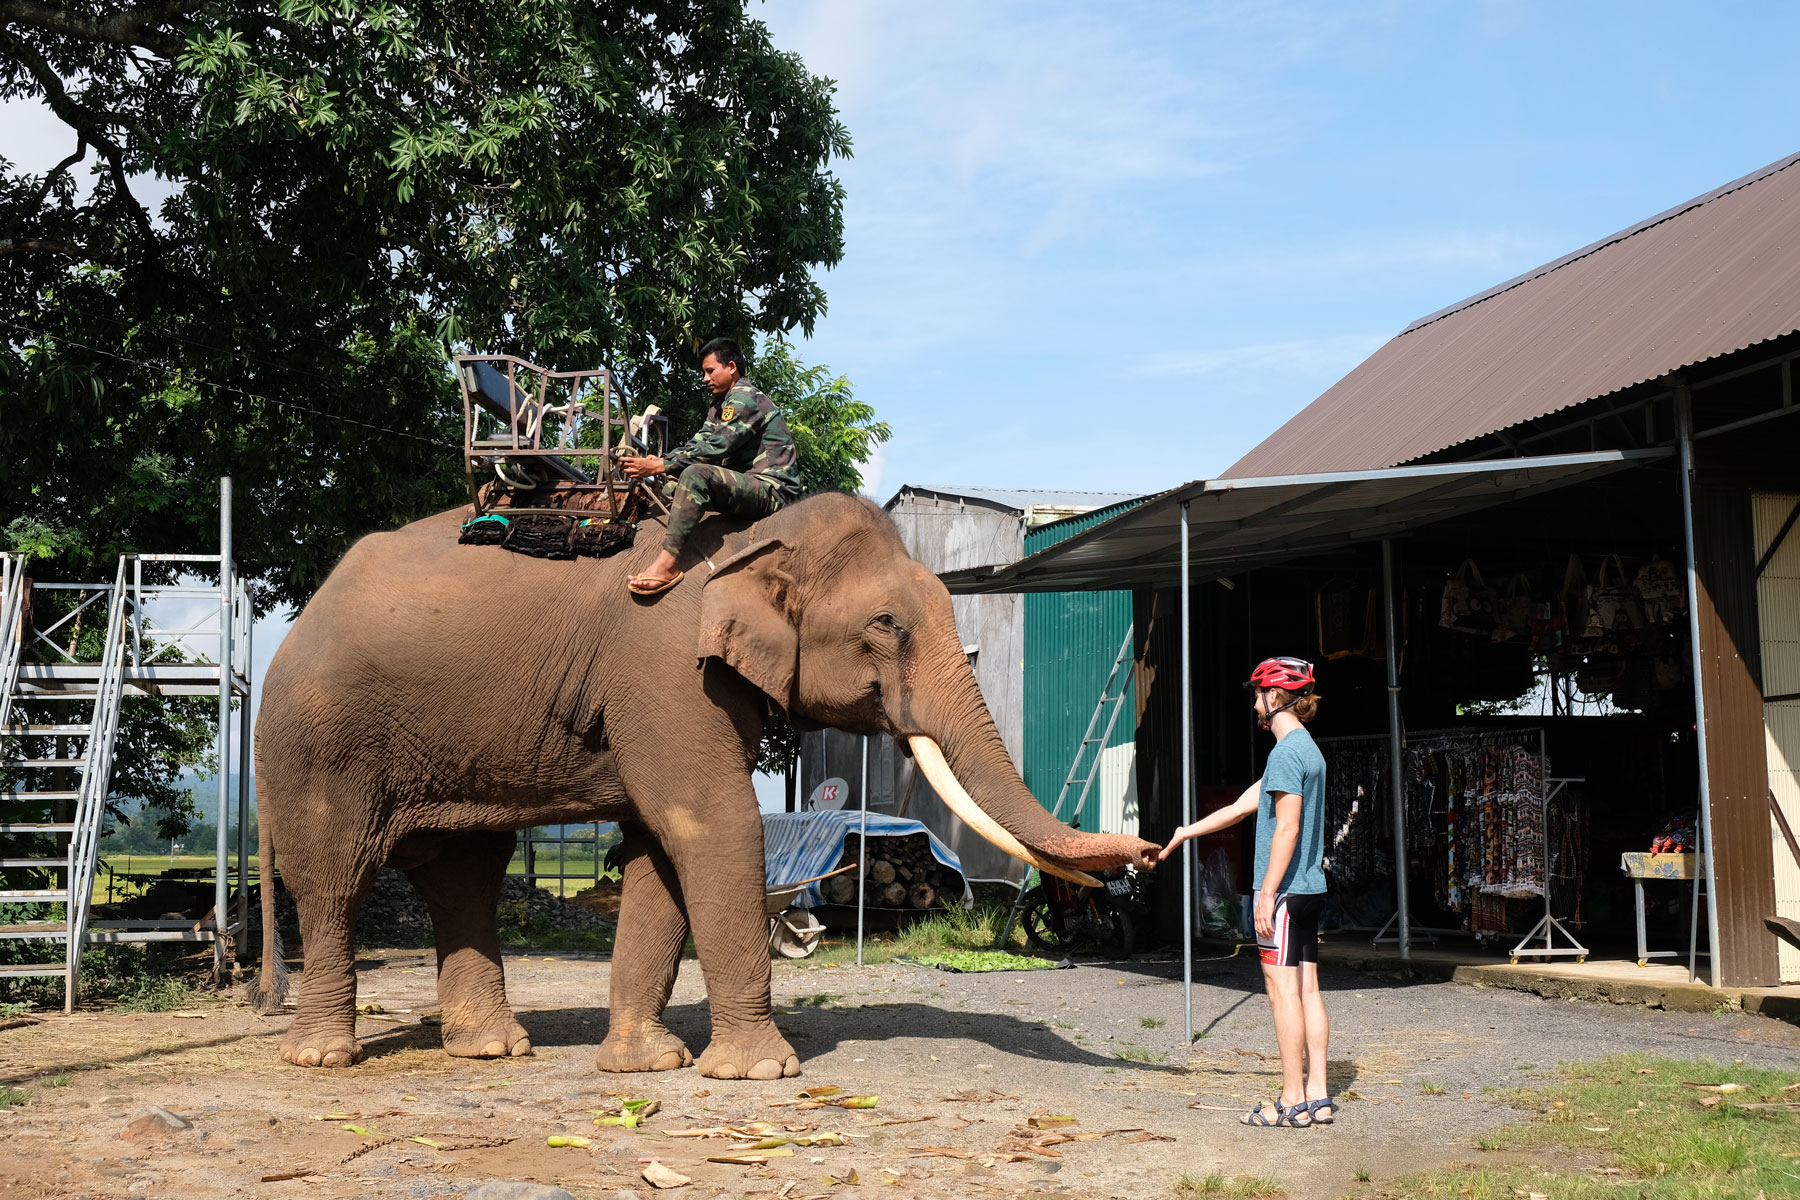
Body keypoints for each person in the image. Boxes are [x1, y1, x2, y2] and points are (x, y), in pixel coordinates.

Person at [1160, 656, 1333, 1129]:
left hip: (1284, 894)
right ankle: (1317, 1096)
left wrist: (1264, 894)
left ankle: (1291, 1101)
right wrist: (1183, 832)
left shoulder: (1284, 754)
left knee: (1281, 995)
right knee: (1308, 990)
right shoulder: (1308, 751)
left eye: (1258, 695)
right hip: (1309, 891)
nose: (1255, 704)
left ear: (1274, 697)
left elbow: (1288, 829)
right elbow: (1241, 807)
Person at [621, 337, 803, 594]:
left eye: (710, 371)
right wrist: (663, 463)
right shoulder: (719, 405)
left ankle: (667, 564)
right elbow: (700, 442)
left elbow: (717, 447)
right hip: (748, 484)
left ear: (731, 366)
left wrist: (662, 464)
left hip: (772, 489)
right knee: (673, 487)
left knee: (694, 475)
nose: (705, 378)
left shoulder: (744, 398)